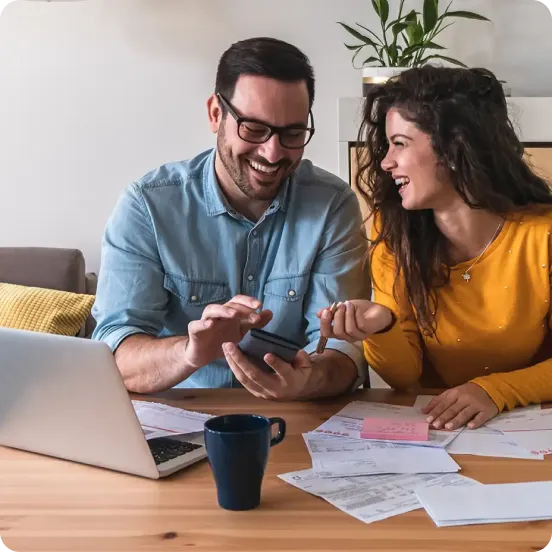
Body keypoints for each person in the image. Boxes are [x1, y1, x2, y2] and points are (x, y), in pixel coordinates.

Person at [91, 37, 370, 399]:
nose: (272, 153)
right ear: (215, 114)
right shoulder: (148, 206)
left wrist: (311, 379)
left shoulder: (333, 206)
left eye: (293, 133)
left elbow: (342, 347)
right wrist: (190, 353)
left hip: (297, 417)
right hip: (180, 416)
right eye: (253, 129)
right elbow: (115, 353)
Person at [318, 65, 552, 429]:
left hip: (531, 431)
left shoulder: (543, 235)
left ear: (454, 147)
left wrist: (495, 391)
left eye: (400, 143)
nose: (385, 162)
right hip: (438, 431)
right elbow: (405, 378)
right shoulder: (393, 231)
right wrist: (382, 326)